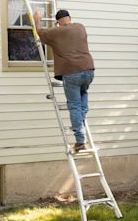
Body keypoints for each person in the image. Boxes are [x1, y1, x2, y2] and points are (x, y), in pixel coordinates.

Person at [33, 9, 94, 152]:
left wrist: (37, 20)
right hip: (89, 70)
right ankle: (81, 121)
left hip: (71, 72)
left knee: (74, 106)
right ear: (70, 18)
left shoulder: (56, 32)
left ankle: (80, 141)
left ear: (58, 22)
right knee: (83, 97)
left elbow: (40, 33)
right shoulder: (80, 27)